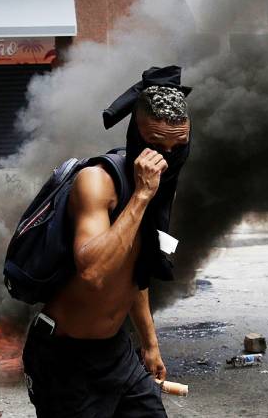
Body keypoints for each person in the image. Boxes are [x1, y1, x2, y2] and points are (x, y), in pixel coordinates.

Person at [23, 66, 193, 418]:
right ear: (135, 134)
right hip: (65, 357)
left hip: (117, 352)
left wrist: (149, 343)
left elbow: (135, 268)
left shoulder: (159, 185)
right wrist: (142, 197)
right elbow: (95, 272)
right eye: (155, 144)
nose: (166, 158)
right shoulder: (98, 182)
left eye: (179, 146)